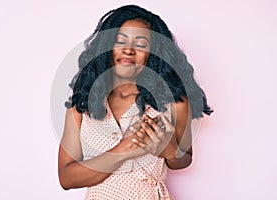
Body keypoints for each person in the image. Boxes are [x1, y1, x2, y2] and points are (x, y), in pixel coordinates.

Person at [58, 4, 213, 199]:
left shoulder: (173, 104)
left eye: (140, 44)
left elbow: (184, 159)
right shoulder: (81, 107)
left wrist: (171, 151)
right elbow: (66, 178)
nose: (129, 50)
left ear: (154, 53)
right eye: (120, 41)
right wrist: (123, 149)